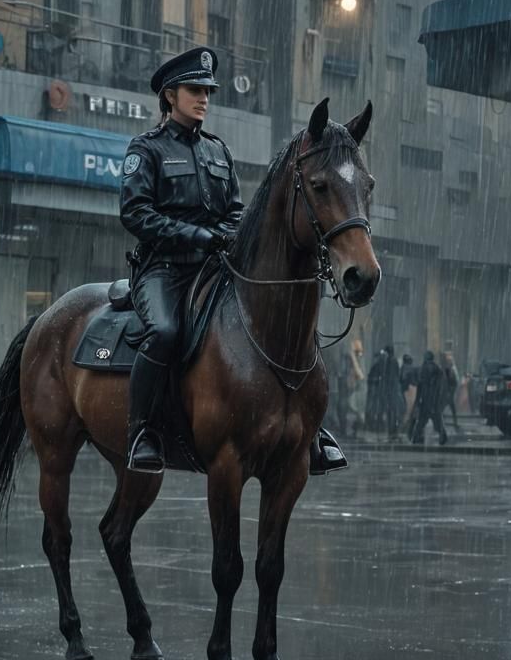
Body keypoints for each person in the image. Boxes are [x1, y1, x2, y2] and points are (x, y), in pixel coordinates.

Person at [120, 47, 347, 476]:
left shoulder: (217, 151)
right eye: (195, 90)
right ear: (170, 95)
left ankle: (310, 429)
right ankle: (142, 431)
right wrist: (201, 236)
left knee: (286, 323)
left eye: (207, 91)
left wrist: (231, 234)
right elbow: (136, 214)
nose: (203, 98)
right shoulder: (146, 149)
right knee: (165, 332)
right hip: (164, 270)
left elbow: (235, 211)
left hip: (216, 267)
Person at [410, 350, 448, 445]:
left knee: (423, 420)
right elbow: (440, 387)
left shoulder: (424, 369)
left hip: (426, 399)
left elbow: (420, 385)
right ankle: (442, 436)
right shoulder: (437, 370)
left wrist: (418, 401)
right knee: (436, 420)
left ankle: (416, 437)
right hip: (434, 400)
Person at [380, 345, 406, 440]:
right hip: (393, 390)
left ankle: (392, 432)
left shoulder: (391, 361)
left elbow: (390, 377)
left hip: (391, 391)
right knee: (392, 412)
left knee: (391, 412)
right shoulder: (392, 360)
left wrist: (387, 390)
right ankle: (392, 431)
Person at [441, 352, 460, 430]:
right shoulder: (448, 369)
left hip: (448, 393)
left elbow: (452, 381)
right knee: (445, 409)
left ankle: (453, 423)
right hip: (448, 393)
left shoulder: (449, 369)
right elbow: (449, 381)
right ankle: (441, 423)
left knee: (446, 408)